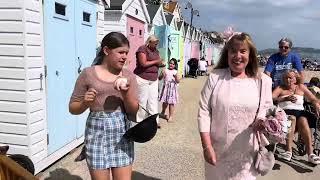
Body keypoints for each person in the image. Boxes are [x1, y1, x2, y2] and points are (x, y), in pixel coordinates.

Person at [198, 33, 273, 179]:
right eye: (233, 51)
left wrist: (264, 123)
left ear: (250, 55)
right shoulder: (215, 78)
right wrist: (206, 147)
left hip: (247, 155)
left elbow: (266, 111)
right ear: (227, 54)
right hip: (217, 153)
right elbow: (204, 111)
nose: (237, 55)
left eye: (243, 51)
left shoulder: (262, 81)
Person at [69, 32, 139, 180]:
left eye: (126, 53)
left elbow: (134, 110)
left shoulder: (128, 76)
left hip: (122, 135)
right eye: (120, 52)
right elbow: (73, 108)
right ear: (106, 50)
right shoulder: (87, 74)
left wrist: (126, 95)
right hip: (96, 135)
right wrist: (85, 103)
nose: (125, 56)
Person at [272, 70, 320, 164]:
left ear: (295, 79)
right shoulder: (280, 88)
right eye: (285, 78)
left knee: (303, 119)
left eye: (290, 77)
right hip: (284, 114)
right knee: (292, 118)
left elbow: (313, 98)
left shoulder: (301, 87)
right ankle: (288, 151)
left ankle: (310, 153)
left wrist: (316, 104)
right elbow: (271, 98)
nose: (287, 80)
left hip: (300, 113)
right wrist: (285, 98)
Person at [134, 35, 164, 128]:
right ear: (149, 42)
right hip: (143, 78)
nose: (156, 45)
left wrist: (160, 64)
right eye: (155, 43)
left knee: (153, 101)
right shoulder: (142, 49)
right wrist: (156, 61)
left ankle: (154, 121)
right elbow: (143, 63)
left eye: (157, 43)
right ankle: (140, 121)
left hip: (153, 79)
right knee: (142, 100)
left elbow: (157, 62)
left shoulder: (156, 51)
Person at [158, 58, 181, 122]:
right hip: (166, 88)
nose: (171, 65)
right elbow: (159, 78)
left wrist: (176, 77)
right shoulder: (165, 70)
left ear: (175, 65)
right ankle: (163, 112)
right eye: (170, 63)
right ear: (168, 63)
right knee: (165, 102)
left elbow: (178, 81)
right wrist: (162, 74)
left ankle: (170, 116)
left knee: (171, 103)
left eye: (173, 64)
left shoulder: (176, 72)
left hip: (172, 89)